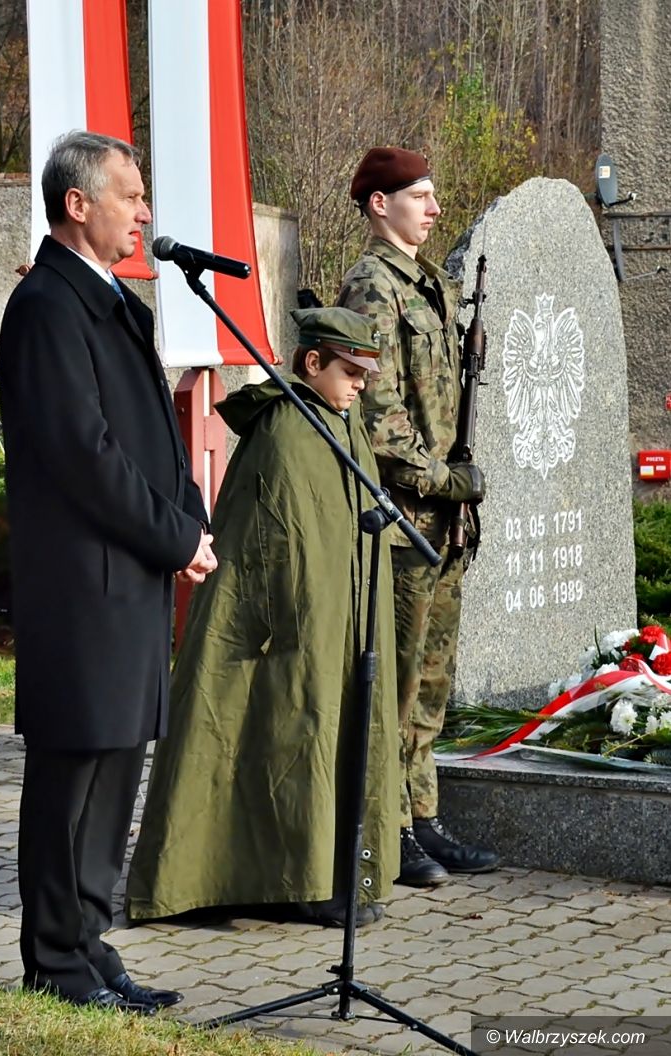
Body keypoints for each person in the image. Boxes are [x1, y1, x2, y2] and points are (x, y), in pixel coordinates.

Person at [0, 130, 217, 1013]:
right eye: (130, 194)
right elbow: (84, 456)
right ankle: (54, 959)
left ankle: (89, 945)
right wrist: (174, 537)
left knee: (117, 767)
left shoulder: (111, 300)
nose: (145, 211)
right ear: (78, 203)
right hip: (82, 587)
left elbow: (153, 435)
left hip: (129, 577)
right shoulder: (47, 306)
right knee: (74, 775)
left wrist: (189, 519)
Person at [125, 307, 400, 929]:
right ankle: (294, 880)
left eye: (365, 374)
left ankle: (331, 872)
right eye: (350, 371)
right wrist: (295, 617)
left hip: (338, 618)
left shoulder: (342, 422)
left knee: (327, 733)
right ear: (312, 363)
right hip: (281, 625)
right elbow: (271, 540)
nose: (360, 384)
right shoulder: (285, 429)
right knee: (292, 735)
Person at [336, 146, 499, 886]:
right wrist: (444, 481)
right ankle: (391, 830)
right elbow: (377, 413)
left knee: (432, 681)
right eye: (419, 196)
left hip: (445, 520)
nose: (434, 208)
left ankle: (424, 816)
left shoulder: (430, 283)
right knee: (397, 684)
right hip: (408, 520)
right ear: (380, 204)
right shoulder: (373, 286)